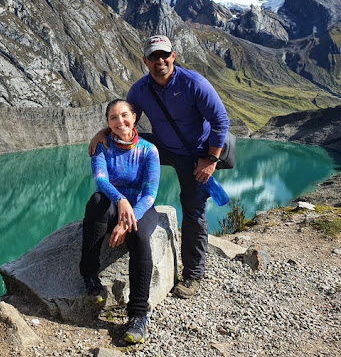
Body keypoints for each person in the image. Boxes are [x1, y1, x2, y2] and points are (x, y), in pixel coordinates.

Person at [89, 35, 229, 300]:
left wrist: (211, 160)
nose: (159, 61)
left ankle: (192, 275)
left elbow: (220, 120)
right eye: (153, 57)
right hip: (164, 147)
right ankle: (121, 203)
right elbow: (128, 121)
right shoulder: (140, 90)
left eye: (164, 55)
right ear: (145, 61)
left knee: (193, 208)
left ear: (173, 56)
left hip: (196, 154)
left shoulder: (194, 83)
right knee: (127, 151)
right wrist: (104, 132)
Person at [80, 99, 160, 345]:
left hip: (141, 206)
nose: (120, 121)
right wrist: (121, 200)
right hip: (114, 201)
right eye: (113, 118)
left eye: (124, 115)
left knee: (138, 235)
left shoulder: (148, 150)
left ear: (134, 117)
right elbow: (101, 181)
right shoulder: (102, 146)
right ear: (107, 123)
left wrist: (127, 220)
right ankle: (89, 273)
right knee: (96, 203)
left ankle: (137, 315)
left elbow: (149, 193)